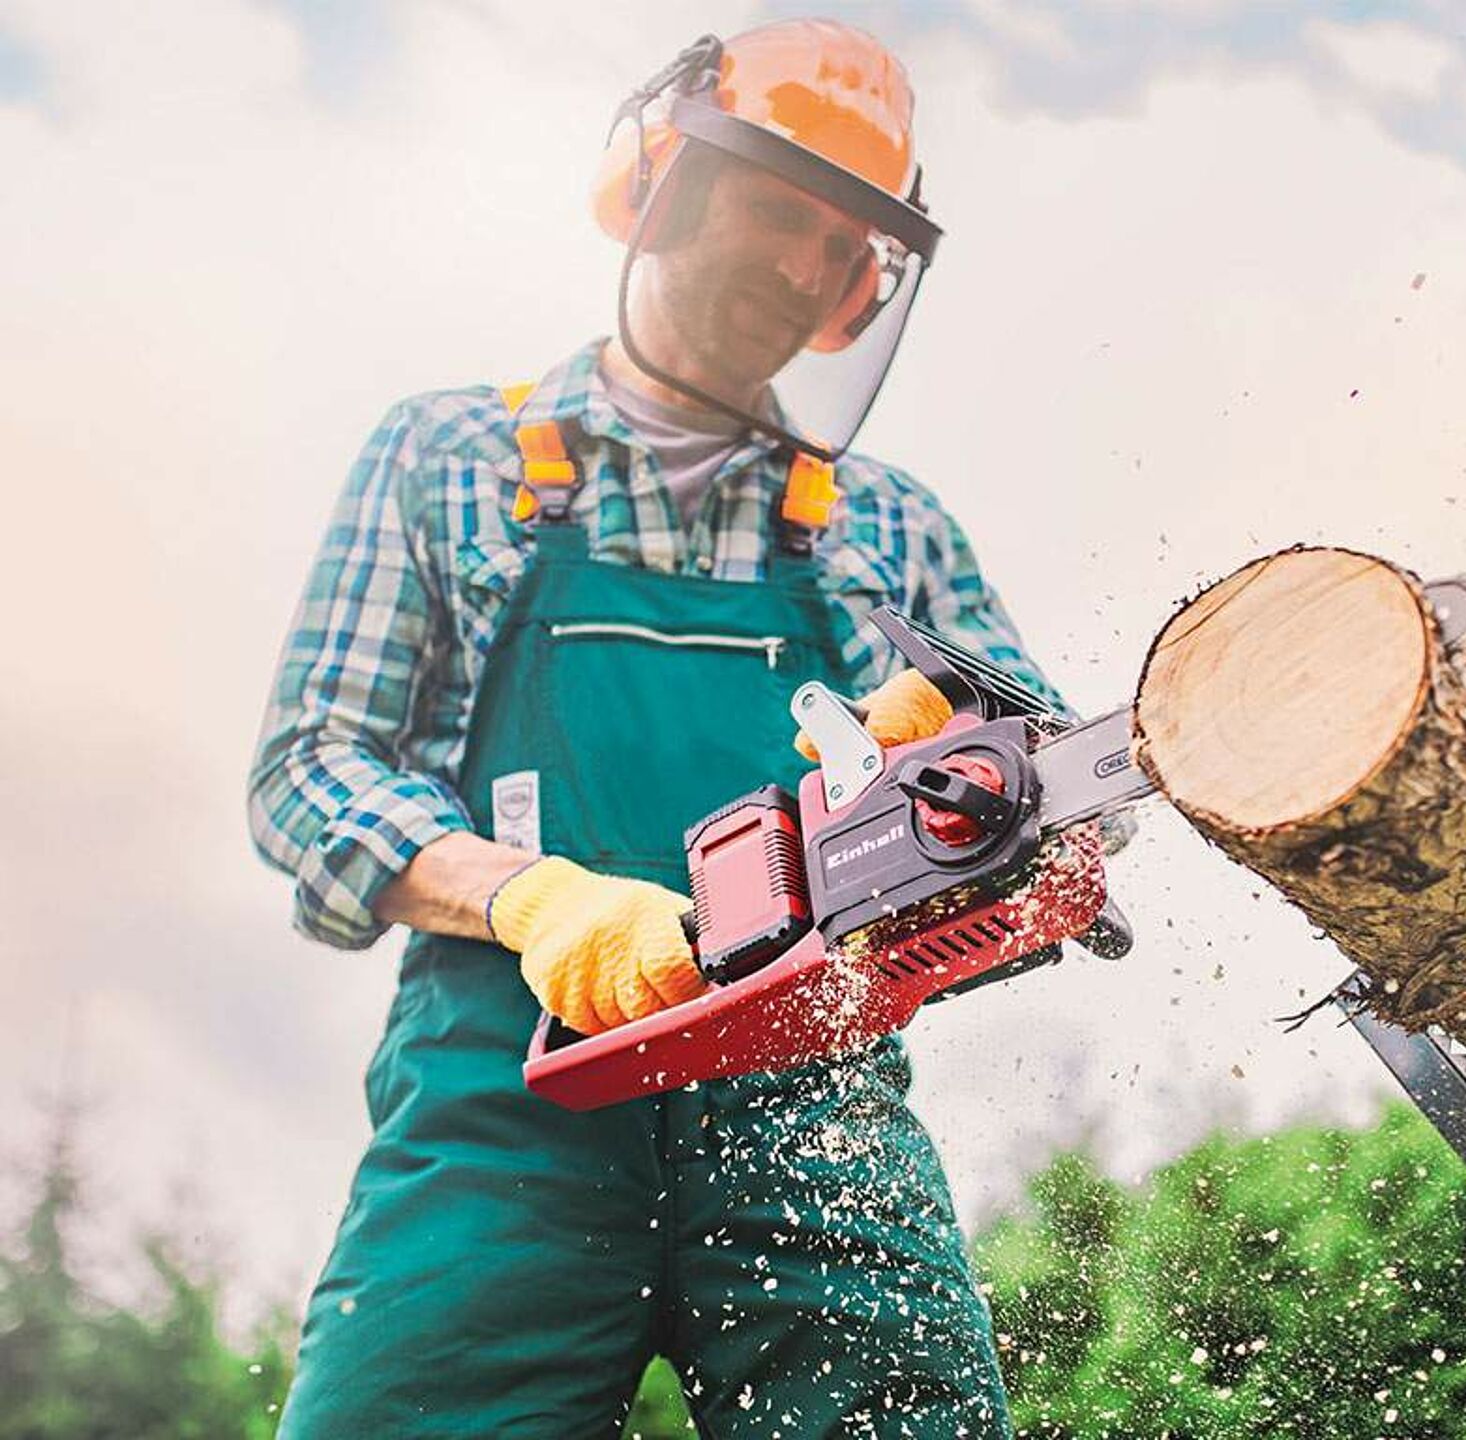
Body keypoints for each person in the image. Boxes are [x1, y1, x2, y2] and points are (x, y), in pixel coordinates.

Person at [248, 19, 1067, 1436]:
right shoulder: (453, 459)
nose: (808, 270)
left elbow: (1044, 790)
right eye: (781, 214)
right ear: (662, 181)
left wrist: (952, 792)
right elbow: (309, 768)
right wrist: (534, 899)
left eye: (846, 249)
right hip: (510, 1103)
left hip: (817, 1110)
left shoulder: (889, 526)